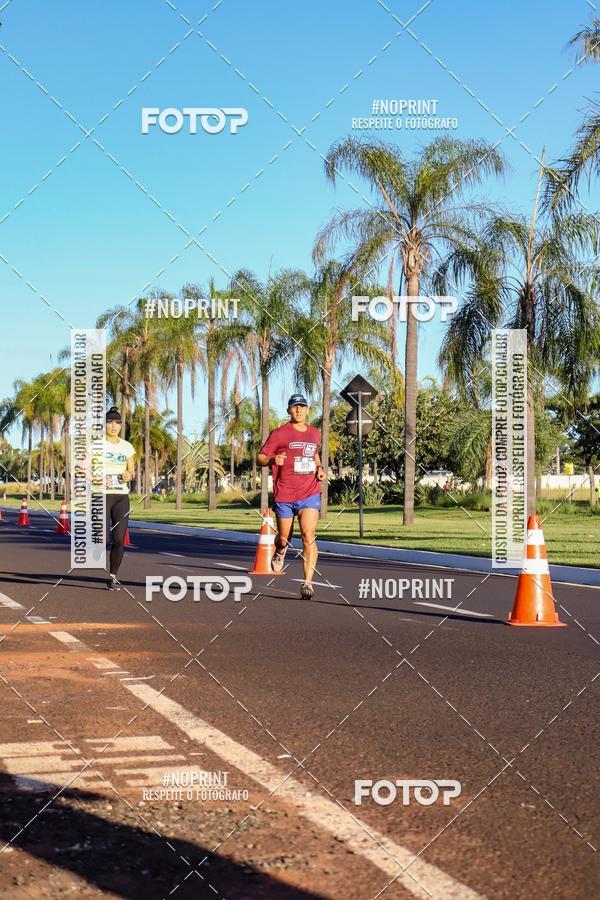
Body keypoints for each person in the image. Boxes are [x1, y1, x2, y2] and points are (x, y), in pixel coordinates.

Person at [256, 394, 326, 600]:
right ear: (289, 410)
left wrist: (320, 468)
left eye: (302, 407)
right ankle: (280, 551)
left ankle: (308, 583)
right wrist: (271, 460)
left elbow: (313, 454)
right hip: (285, 494)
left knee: (308, 535)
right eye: (295, 407)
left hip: (310, 491)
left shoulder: (315, 433)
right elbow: (259, 457)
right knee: (284, 538)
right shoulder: (279, 434)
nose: (299, 410)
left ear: (307, 409)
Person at [103, 407, 136, 590]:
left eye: (117, 422)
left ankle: (113, 576)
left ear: (121, 425)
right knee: (102, 537)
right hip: (101, 494)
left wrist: (128, 475)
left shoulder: (127, 447)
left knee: (118, 539)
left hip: (121, 496)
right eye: (110, 422)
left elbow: (131, 471)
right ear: (105, 425)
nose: (113, 426)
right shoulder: (96, 445)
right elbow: (83, 467)